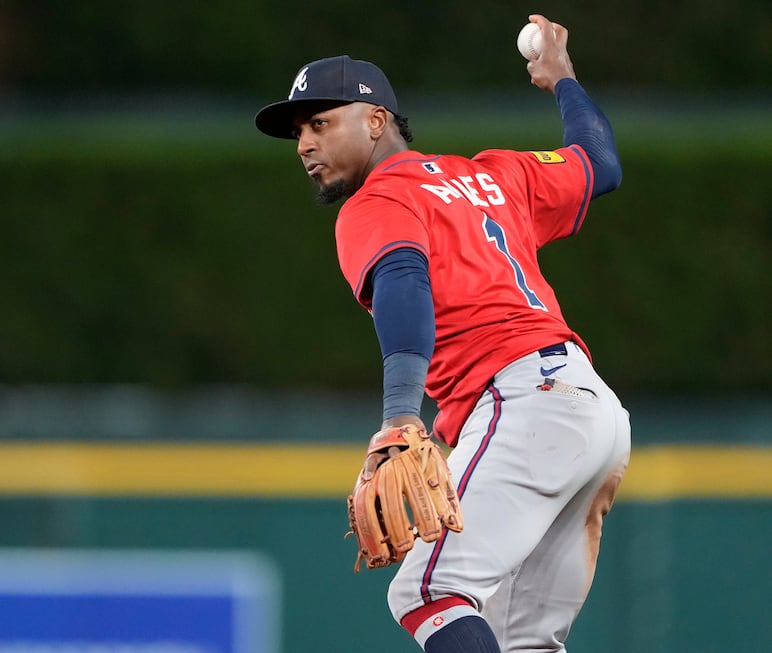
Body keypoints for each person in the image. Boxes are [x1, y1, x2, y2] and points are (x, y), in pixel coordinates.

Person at [254, 14, 631, 653]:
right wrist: (563, 80)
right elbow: (600, 163)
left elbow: (404, 280)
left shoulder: (377, 201)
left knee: (429, 594)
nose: (304, 145)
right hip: (593, 413)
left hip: (524, 401)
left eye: (320, 123)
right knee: (523, 641)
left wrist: (400, 417)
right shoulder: (497, 175)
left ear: (376, 121)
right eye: (299, 133)